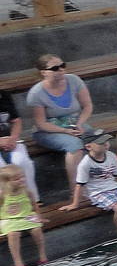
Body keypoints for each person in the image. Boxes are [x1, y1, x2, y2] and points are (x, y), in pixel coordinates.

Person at [26, 54, 94, 190]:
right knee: (75, 145)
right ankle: (76, 190)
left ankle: (102, 183)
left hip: (73, 122)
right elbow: (41, 123)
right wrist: (65, 131)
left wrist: (80, 123)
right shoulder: (36, 93)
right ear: (44, 72)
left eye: (63, 66)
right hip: (48, 130)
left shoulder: (74, 80)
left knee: (99, 138)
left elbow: (87, 106)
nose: (61, 70)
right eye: (55, 68)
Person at [66, 131, 117, 237]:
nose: (106, 144)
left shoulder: (111, 156)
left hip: (115, 187)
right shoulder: (85, 164)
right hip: (99, 192)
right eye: (101, 143)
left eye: (106, 141)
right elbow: (79, 185)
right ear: (89, 146)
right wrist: (75, 203)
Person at [0, 163, 46, 266]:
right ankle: (18, 263)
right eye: (16, 179)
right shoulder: (2, 195)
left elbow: (34, 206)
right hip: (9, 219)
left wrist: (38, 216)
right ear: (7, 182)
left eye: (22, 176)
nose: (21, 180)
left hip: (26, 216)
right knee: (13, 233)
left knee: (37, 229)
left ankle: (42, 256)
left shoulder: (27, 191)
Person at [0, 87, 38, 200]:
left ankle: (33, 199)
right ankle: (5, 203)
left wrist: (13, 138)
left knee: (22, 161)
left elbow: (16, 121)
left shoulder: (4, 95)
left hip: (9, 139)